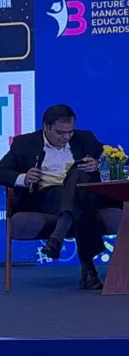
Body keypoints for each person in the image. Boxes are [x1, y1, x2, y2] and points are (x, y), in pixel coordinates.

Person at [0, 105, 110, 290]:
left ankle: (58, 236)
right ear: (46, 127)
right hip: (48, 196)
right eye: (60, 132)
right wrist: (23, 178)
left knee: (78, 174)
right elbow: (1, 171)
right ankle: (88, 271)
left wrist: (98, 164)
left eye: (70, 132)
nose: (66, 137)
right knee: (77, 202)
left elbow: (120, 158)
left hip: (86, 194)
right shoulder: (24, 143)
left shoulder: (85, 138)